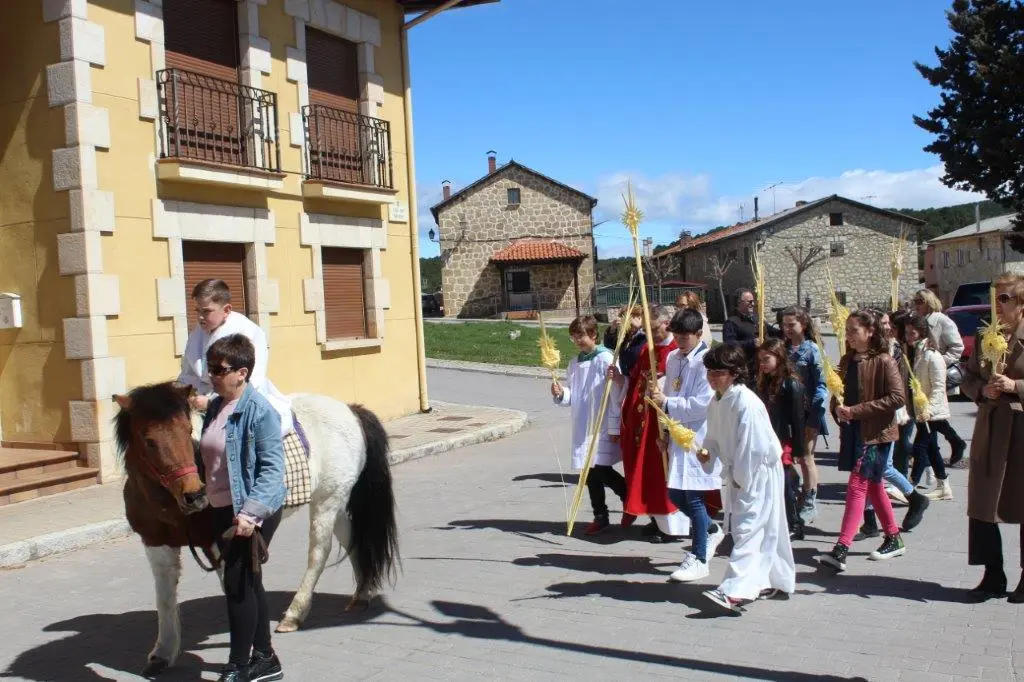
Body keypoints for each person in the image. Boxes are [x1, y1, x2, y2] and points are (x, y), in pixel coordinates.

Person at [200, 334, 286, 682]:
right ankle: (266, 658)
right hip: (222, 508)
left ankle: (238, 665)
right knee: (249, 582)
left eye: (219, 370)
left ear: (242, 372)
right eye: (210, 369)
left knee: (237, 586)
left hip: (250, 511)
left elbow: (272, 470)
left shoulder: (259, 412)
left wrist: (250, 515)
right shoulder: (215, 407)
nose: (212, 376)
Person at [697, 344, 796, 612]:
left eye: (718, 372)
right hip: (742, 470)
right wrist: (707, 453)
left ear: (734, 373)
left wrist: (742, 479)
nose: (711, 378)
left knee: (748, 528)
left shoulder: (746, 402)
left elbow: (752, 447)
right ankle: (774, 580)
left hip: (756, 471)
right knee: (765, 526)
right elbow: (713, 436)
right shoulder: (717, 400)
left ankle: (734, 591)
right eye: (709, 372)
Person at [819, 310, 908, 572]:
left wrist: (856, 411)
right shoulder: (847, 360)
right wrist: (837, 408)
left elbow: (897, 397)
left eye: (853, 330)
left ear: (870, 332)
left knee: (857, 485)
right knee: (874, 486)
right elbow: (839, 393)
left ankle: (841, 548)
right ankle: (893, 537)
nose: (848, 335)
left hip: (877, 435)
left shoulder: (884, 360)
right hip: (854, 433)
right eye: (846, 330)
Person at [959, 273, 1024, 603]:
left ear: (1021, 303)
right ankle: (993, 573)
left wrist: (1016, 386)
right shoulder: (987, 335)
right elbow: (967, 377)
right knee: (982, 504)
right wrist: (981, 390)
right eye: (994, 297)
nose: (997, 304)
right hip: (990, 429)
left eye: (1005, 298)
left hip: (1021, 431)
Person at [647, 308, 722, 581]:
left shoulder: (706, 362)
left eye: (685, 336)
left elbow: (702, 404)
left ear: (699, 334)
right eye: (676, 335)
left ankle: (699, 557)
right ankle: (711, 529)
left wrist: (667, 403)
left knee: (694, 496)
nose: (679, 341)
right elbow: (670, 391)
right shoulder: (672, 358)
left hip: (698, 436)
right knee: (676, 494)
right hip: (677, 434)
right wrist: (666, 431)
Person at [613, 305, 689, 542]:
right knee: (646, 472)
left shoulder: (676, 352)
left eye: (654, 329)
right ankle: (656, 519)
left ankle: (672, 527)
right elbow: (636, 379)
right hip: (643, 421)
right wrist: (620, 379)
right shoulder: (647, 348)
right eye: (647, 330)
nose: (651, 335)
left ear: (667, 324)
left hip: (664, 420)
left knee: (663, 473)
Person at [179, 279, 293, 437]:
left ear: (226, 310)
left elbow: (249, 381)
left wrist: (212, 403)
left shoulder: (246, 332)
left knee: (249, 438)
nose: (200, 317)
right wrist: (184, 393)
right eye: (197, 311)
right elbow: (187, 372)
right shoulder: (196, 334)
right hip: (201, 400)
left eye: (206, 311)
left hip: (240, 401)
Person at [553, 315, 626, 535]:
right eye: (574, 337)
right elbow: (573, 394)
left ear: (594, 334)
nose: (577, 341)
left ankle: (628, 495)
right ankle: (600, 515)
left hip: (601, 423)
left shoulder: (606, 359)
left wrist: (614, 426)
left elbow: (616, 393)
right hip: (583, 423)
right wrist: (561, 393)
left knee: (601, 468)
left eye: (581, 336)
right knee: (589, 473)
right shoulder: (574, 363)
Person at [779, 306, 827, 524]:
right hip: (784, 411)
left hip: (807, 411)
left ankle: (809, 500)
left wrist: (815, 414)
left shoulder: (812, 350)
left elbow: (822, 386)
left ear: (803, 324)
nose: (787, 329)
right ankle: (795, 482)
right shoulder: (782, 349)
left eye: (792, 325)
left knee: (806, 457)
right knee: (784, 455)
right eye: (784, 325)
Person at [755, 338, 806, 540]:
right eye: (760, 360)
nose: (762, 364)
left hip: (784, 440)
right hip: (768, 438)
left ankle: (795, 523)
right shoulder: (765, 381)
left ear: (779, 357)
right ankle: (777, 519)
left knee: (784, 483)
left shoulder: (791, 383)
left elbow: (798, 419)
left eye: (766, 359)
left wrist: (799, 450)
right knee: (773, 481)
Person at [912, 289, 968, 466]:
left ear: (929, 302)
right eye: (915, 301)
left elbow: (957, 348)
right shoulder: (918, 321)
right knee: (930, 418)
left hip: (936, 375)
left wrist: (938, 362)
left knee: (930, 416)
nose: (916, 305)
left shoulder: (942, 321)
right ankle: (947, 447)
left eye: (919, 301)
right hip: (921, 376)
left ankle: (928, 459)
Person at [905, 314, 954, 501]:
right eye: (907, 333)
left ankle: (909, 487)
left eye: (912, 333)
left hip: (930, 413)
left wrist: (929, 410)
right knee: (932, 449)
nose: (908, 337)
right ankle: (943, 486)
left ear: (922, 333)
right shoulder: (919, 353)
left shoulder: (932, 356)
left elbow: (939, 387)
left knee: (919, 447)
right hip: (922, 412)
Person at [722, 289, 759, 381]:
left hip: (759, 367)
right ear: (739, 302)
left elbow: (772, 332)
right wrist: (751, 343)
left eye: (753, 301)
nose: (753, 304)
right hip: (744, 368)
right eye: (750, 302)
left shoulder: (756, 319)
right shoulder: (732, 322)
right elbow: (729, 344)